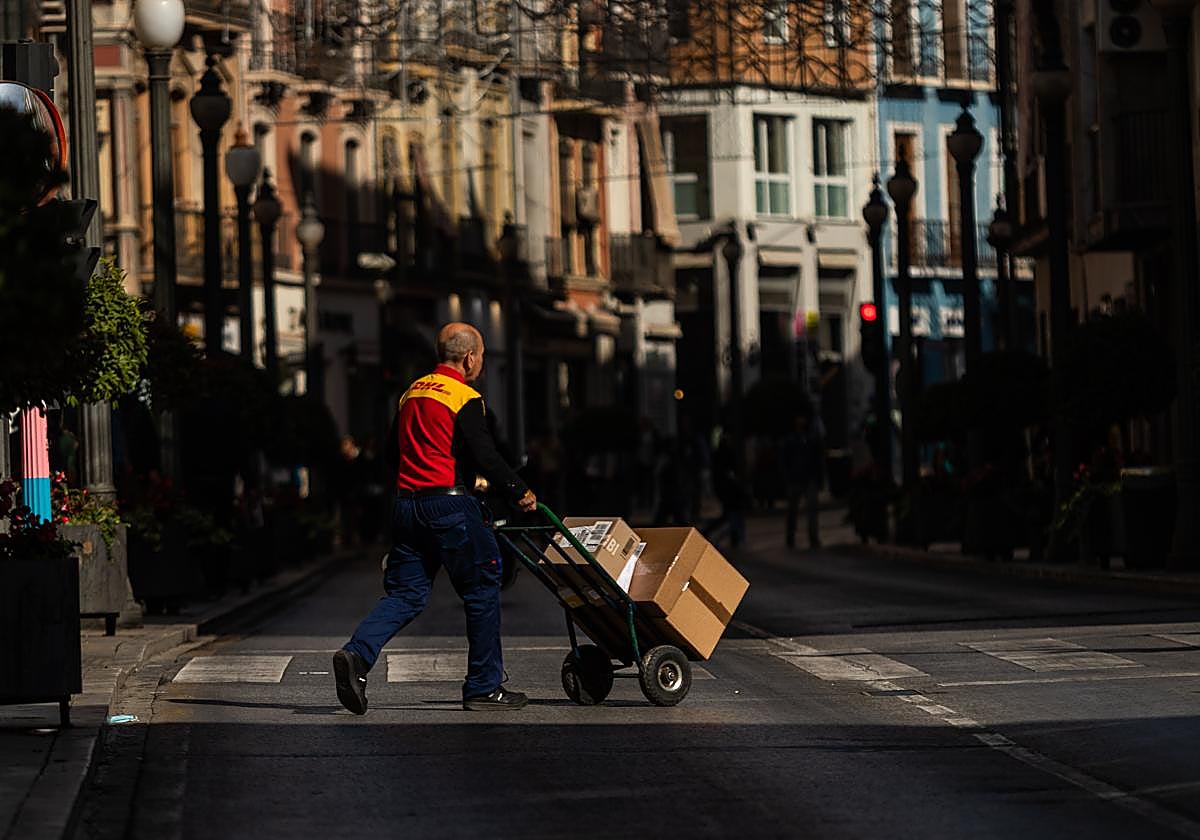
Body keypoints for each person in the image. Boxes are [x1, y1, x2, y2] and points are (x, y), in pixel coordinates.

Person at [334, 323, 537, 714]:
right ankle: (484, 686)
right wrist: (519, 491)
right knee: (481, 588)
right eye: (480, 356)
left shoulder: (412, 391)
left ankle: (357, 655)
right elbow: (486, 454)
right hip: (449, 507)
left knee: (406, 594)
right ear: (470, 358)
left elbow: (394, 457)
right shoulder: (465, 397)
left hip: (408, 505)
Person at [782, 412, 824, 549]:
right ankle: (791, 536)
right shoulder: (791, 440)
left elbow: (817, 460)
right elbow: (785, 460)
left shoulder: (811, 439)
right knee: (793, 510)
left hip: (807, 478)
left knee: (810, 510)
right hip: (796, 479)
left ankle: (812, 537)